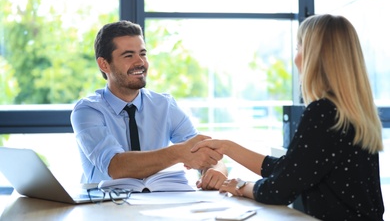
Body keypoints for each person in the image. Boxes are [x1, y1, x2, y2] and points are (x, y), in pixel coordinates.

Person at [191, 14, 385, 220]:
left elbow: (279, 190)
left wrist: (240, 186)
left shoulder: (324, 112)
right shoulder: (351, 112)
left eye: (299, 48)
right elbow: (291, 168)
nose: (296, 58)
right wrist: (227, 147)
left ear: (316, 55)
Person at [71, 20, 227, 190]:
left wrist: (215, 171)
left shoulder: (165, 105)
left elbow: (208, 156)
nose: (140, 62)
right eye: (129, 55)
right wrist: (179, 153)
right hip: (105, 207)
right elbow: (116, 167)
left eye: (143, 54)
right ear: (104, 64)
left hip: (157, 206)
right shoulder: (87, 111)